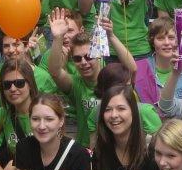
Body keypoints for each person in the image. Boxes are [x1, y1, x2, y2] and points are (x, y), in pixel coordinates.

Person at [48, 8, 136, 139]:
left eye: (89, 56)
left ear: (99, 55)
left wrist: (111, 36)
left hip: (114, 145)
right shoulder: (76, 84)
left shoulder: (112, 75)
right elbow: (55, 72)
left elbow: (132, 69)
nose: (83, 62)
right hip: (86, 147)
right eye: (77, 59)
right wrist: (57, 38)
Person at [0, 57, 40, 164]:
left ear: (30, 84)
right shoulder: (4, 113)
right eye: (7, 85)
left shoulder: (45, 110)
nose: (13, 89)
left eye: (19, 83)